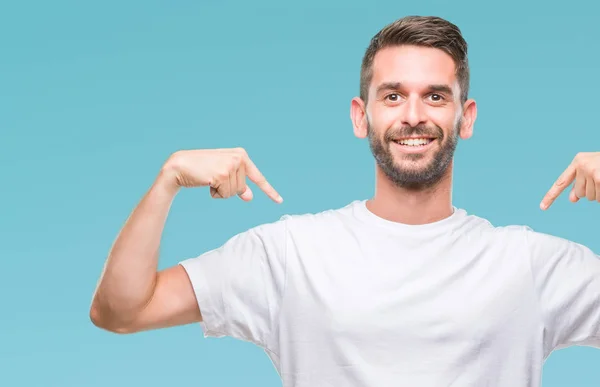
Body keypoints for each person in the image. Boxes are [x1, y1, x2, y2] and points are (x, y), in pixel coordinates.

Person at [89, 15, 600, 387]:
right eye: (393, 95)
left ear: (466, 117)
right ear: (362, 116)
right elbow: (121, 311)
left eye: (436, 96)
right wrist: (168, 180)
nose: (414, 115)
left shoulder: (530, 264)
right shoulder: (292, 253)